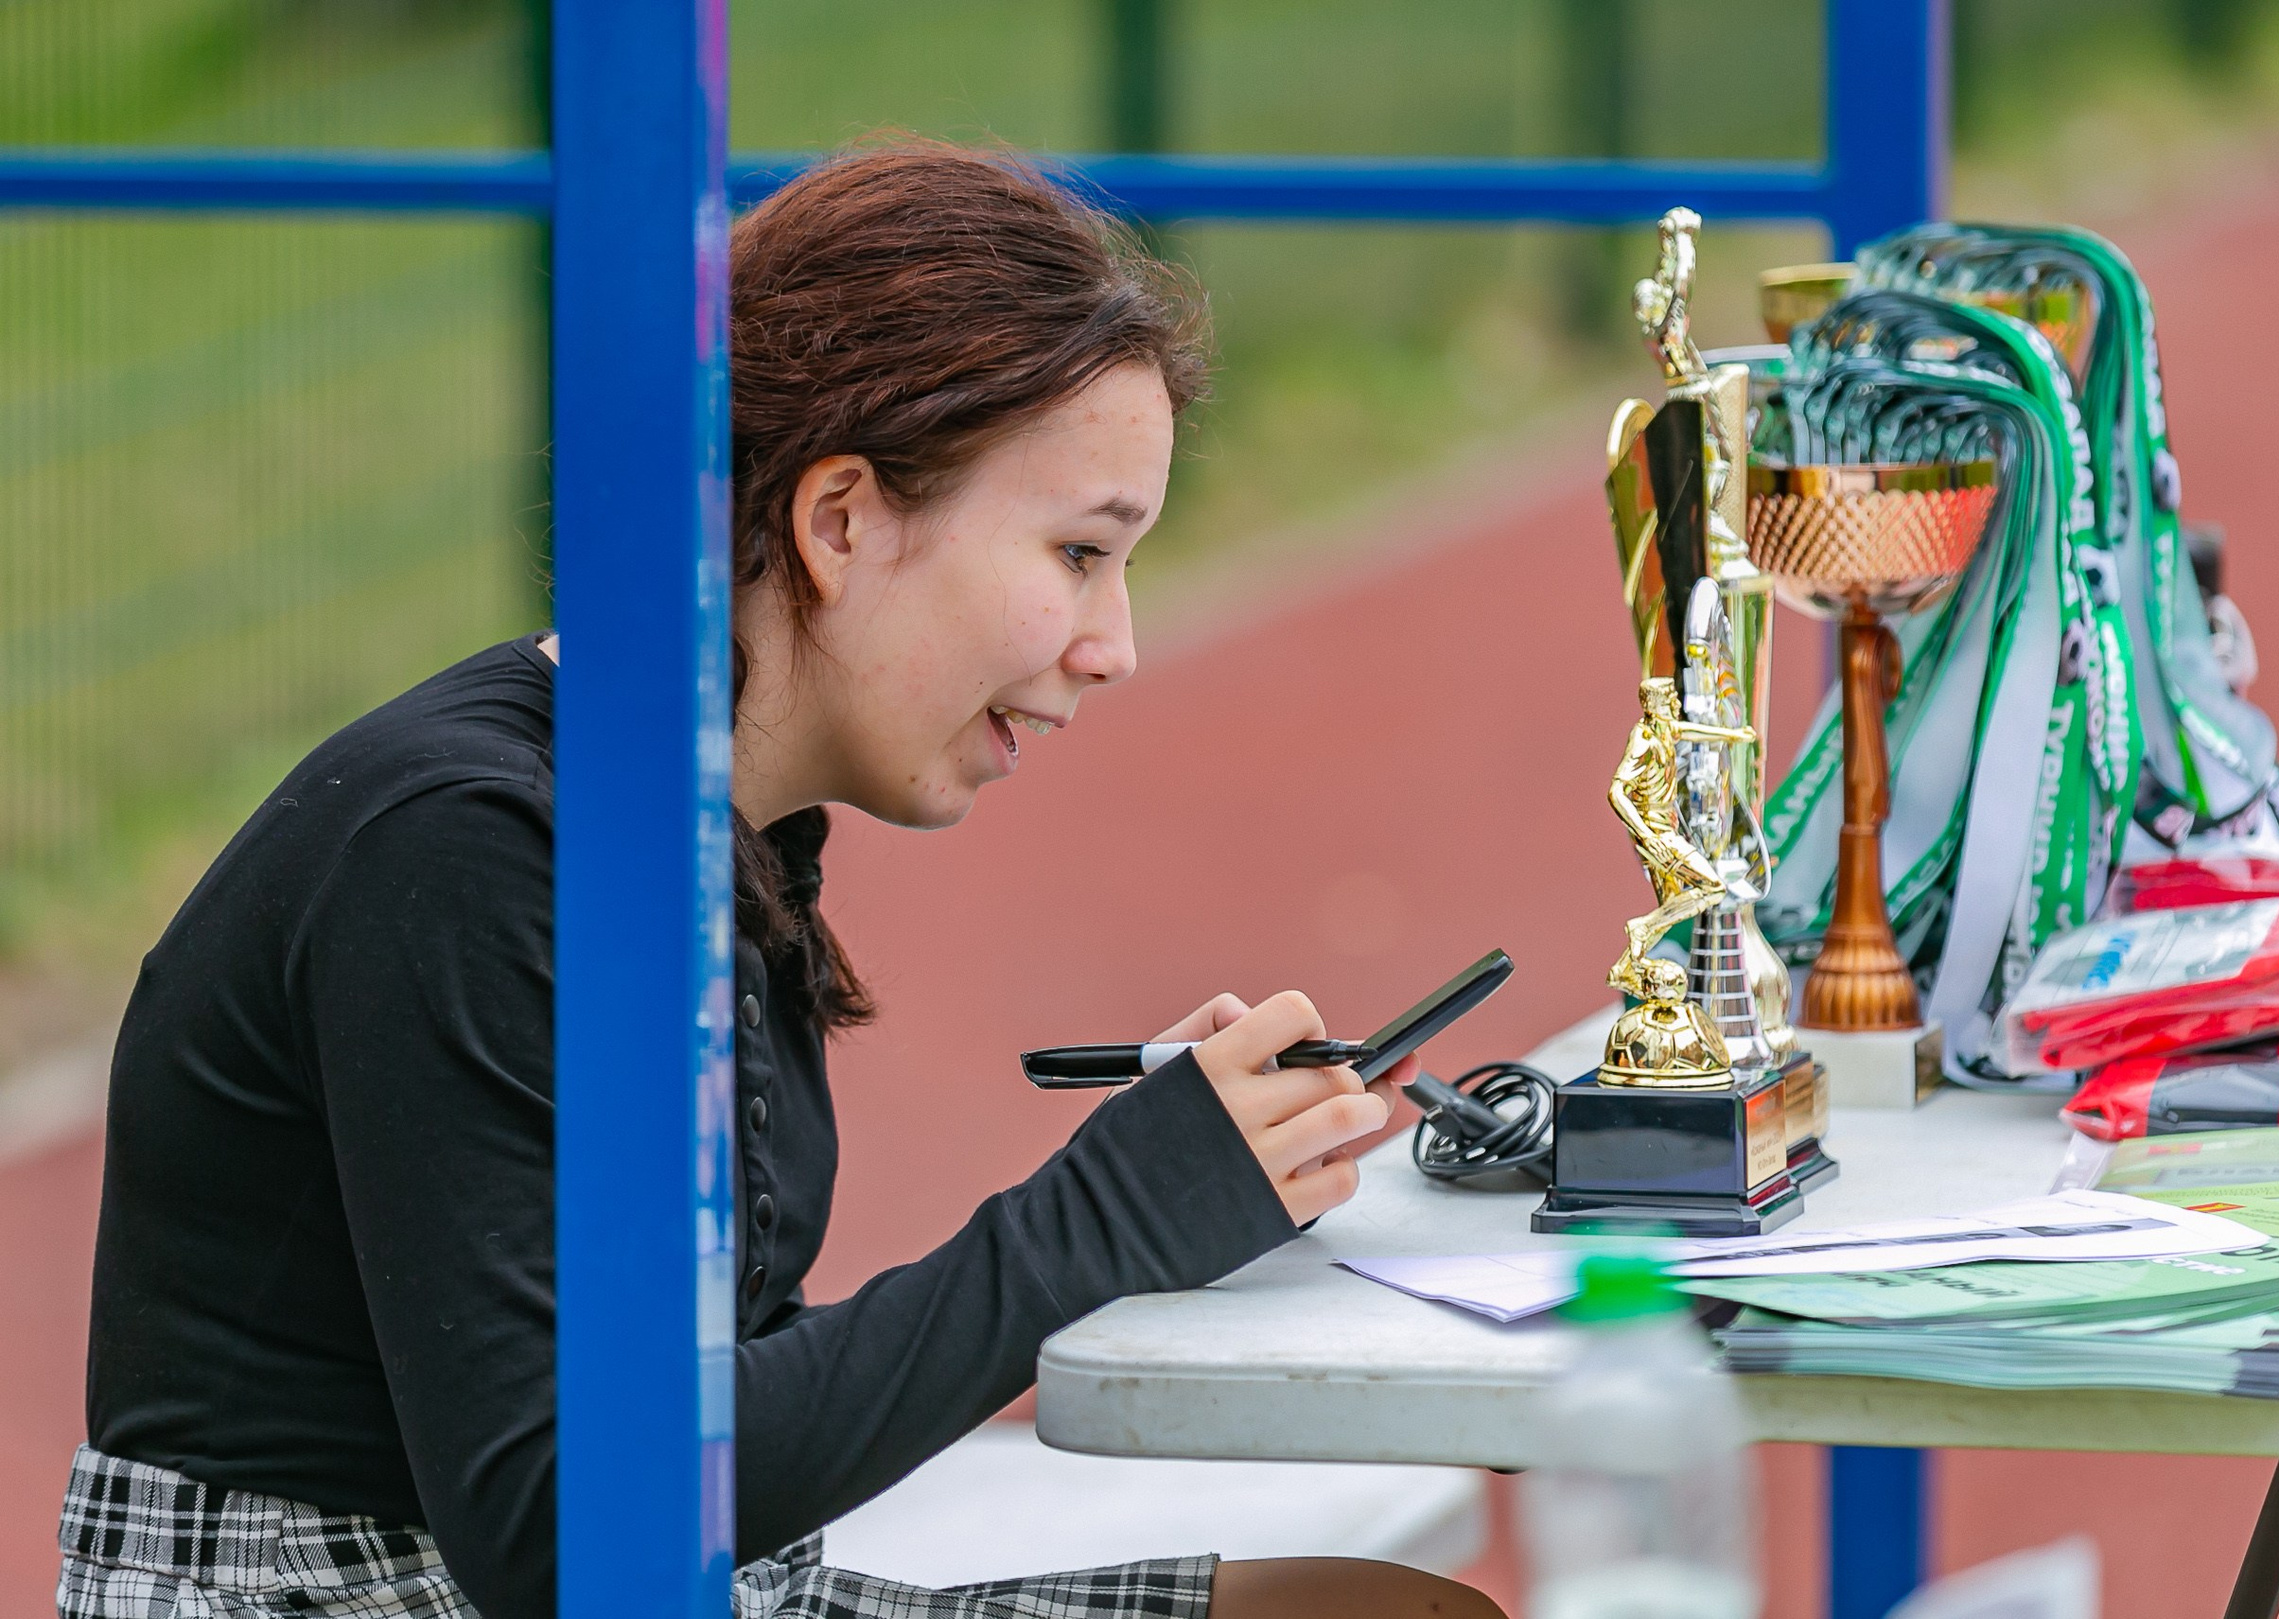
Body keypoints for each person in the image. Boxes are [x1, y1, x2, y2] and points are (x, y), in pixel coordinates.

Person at [62, 142, 1507, 1619]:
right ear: (839, 522)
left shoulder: (704, 826)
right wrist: (1103, 1221)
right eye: (1078, 551)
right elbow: (568, 1536)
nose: (1112, 643)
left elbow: (698, 1417)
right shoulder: (464, 852)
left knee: (1389, 1611)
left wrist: (1181, 1193)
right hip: (354, 1599)